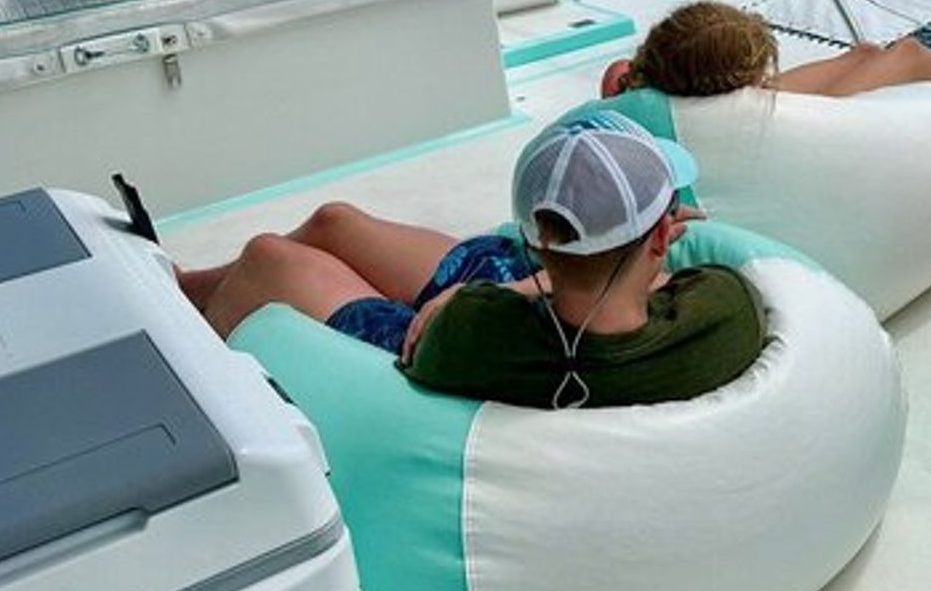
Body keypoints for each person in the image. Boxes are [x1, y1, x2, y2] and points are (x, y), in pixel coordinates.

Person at [179, 110, 766, 409]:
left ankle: (180, 306)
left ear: (535, 234)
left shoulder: (474, 332)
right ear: (664, 235)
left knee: (268, 258)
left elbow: (440, 336)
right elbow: (626, 289)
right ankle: (183, 283)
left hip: (435, 332)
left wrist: (500, 290)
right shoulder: (724, 312)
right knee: (337, 221)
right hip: (530, 285)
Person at [601, 0, 931, 101]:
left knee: (866, 53)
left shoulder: (628, 79)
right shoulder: (727, 112)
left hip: (760, 97)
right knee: (908, 58)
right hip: (794, 111)